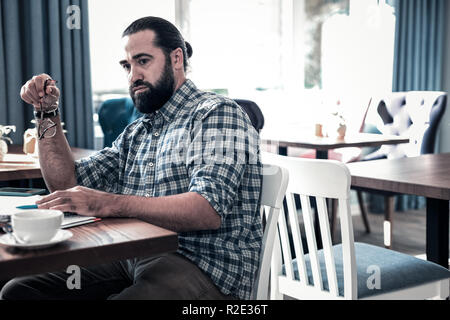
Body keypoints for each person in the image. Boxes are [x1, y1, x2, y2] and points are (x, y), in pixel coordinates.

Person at [1, 16, 262, 300]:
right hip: (132, 251)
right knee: (21, 290)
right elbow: (65, 183)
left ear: (176, 59)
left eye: (143, 61)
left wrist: (108, 202)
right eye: (127, 65)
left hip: (202, 264)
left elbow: (206, 210)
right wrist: (46, 111)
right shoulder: (138, 130)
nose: (132, 75)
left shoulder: (216, 113)